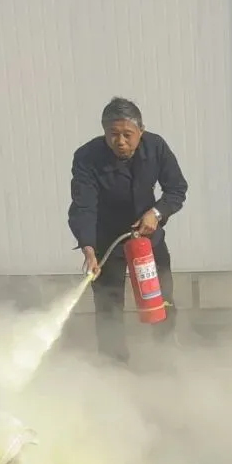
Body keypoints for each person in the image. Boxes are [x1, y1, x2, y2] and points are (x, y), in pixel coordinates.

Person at [68, 97, 188, 363]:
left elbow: (177, 189)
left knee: (161, 296)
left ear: (141, 131)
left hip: (149, 238)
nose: (120, 141)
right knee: (108, 304)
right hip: (107, 240)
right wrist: (88, 248)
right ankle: (112, 362)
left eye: (127, 134)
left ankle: (166, 351)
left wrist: (157, 213)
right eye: (113, 134)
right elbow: (83, 206)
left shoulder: (156, 147)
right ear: (104, 132)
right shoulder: (87, 157)